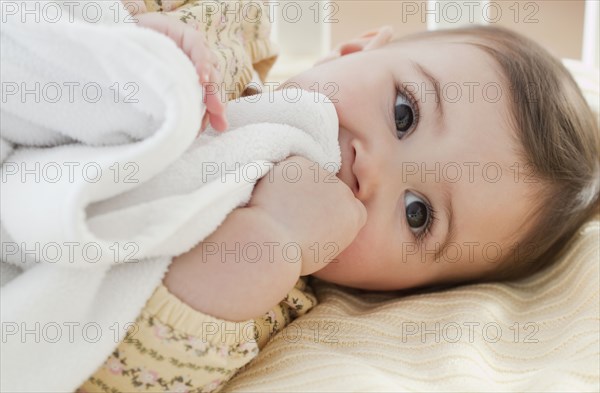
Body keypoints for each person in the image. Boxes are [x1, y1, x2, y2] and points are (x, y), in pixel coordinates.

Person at [78, 2, 599, 392]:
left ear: (397, 290)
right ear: (352, 51)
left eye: (418, 215)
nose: (372, 171)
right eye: (404, 113)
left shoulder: (265, 302)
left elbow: (124, 362)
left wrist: (275, 238)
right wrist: (129, 41)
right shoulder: (222, 30)